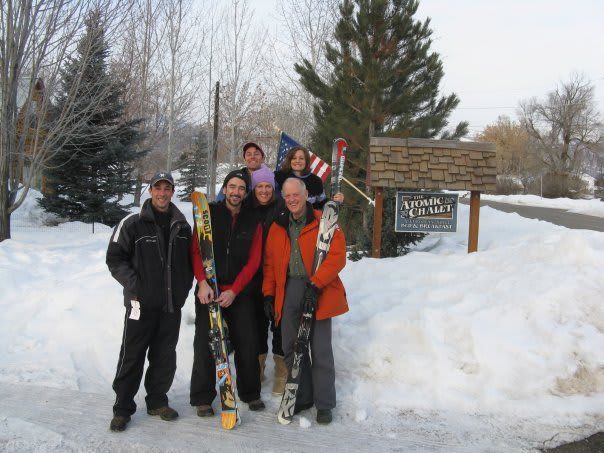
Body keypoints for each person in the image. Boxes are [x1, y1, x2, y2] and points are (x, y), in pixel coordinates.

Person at [106, 171, 193, 432]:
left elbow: (188, 265)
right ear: (150, 191)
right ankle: (122, 408)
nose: (162, 193)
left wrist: (181, 291)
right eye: (158, 188)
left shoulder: (182, 226)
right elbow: (115, 259)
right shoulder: (132, 223)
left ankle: (157, 401)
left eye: (167, 189)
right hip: (139, 305)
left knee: (164, 355)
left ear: (172, 192)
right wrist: (137, 287)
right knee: (132, 355)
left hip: (170, 306)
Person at [262, 177, 348, 425]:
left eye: (295, 195)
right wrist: (269, 294)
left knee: (320, 349)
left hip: (319, 287)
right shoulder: (278, 227)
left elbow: (337, 256)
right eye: (287, 196)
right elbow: (269, 265)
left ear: (306, 194)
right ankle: (303, 396)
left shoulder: (324, 221)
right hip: (289, 288)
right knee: (291, 347)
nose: (291, 200)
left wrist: (316, 284)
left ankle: (324, 403)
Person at [190, 169, 266, 416]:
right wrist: (202, 282)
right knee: (205, 344)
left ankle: (250, 393)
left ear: (246, 193)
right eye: (232, 187)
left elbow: (254, 261)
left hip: (239, 291)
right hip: (209, 290)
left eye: (242, 188)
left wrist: (235, 290)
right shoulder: (208, 213)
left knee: (247, 341)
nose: (236, 192)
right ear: (224, 189)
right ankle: (203, 397)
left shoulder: (253, 219)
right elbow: (195, 251)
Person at [243, 165, 287, 395]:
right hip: (252, 276)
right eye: (259, 186)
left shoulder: (282, 208)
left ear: (273, 188)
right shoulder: (246, 208)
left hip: (278, 273)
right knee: (257, 324)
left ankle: (281, 372)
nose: (263, 190)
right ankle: (257, 368)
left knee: (278, 322)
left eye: (267, 186)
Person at [274, 145, 344, 210]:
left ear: (306, 161)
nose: (297, 161)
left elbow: (322, 204)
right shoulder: (279, 176)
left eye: (301, 158)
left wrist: (335, 202)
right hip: (280, 219)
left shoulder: (315, 181)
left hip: (307, 220)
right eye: (294, 158)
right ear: (290, 160)